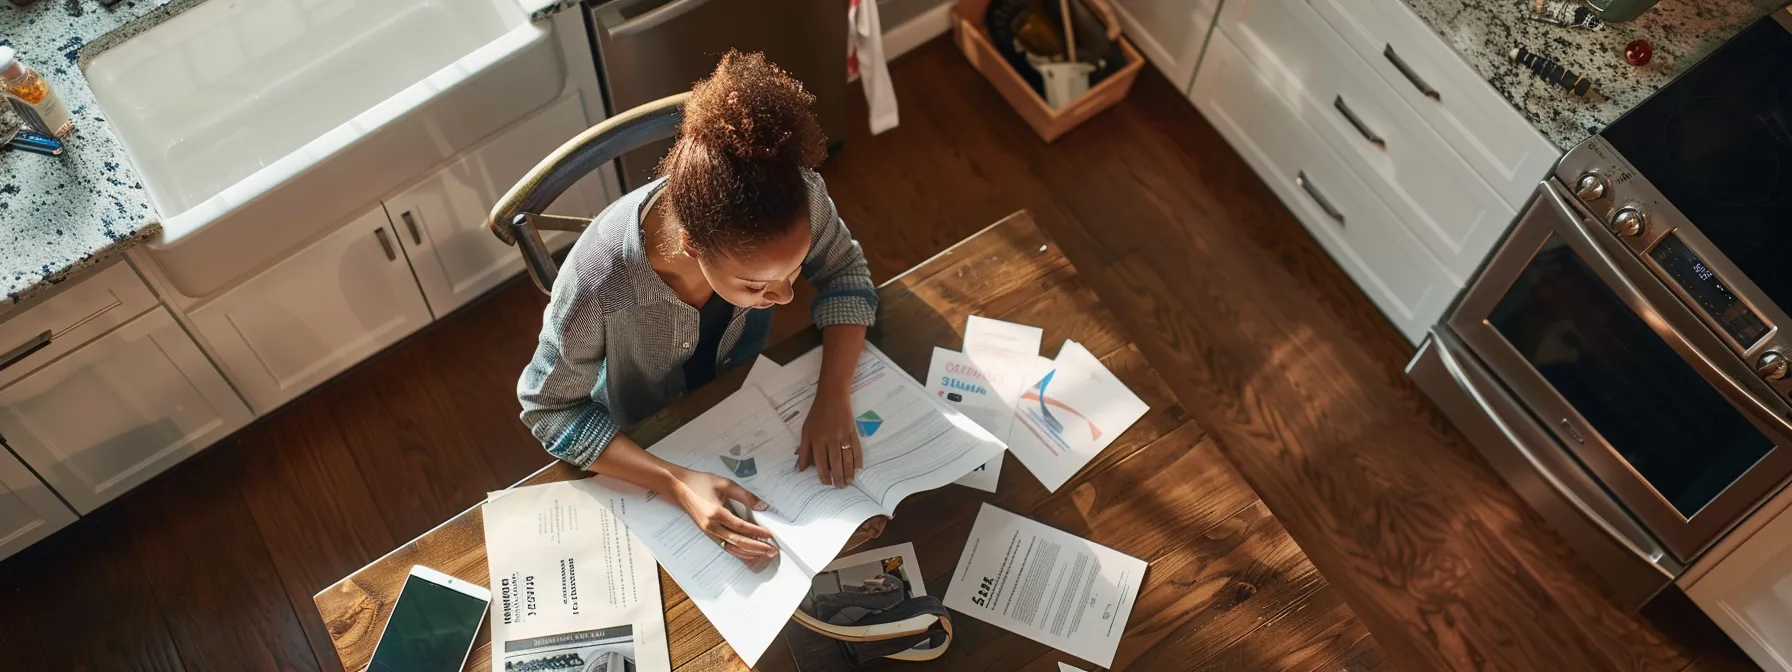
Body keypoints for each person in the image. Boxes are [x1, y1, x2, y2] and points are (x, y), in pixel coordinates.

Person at [518, 51, 876, 568]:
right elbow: (548, 408)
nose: (786, 298)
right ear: (691, 245)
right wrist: (675, 481)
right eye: (757, 284)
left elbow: (845, 272)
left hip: (741, 401)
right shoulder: (600, 281)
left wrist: (834, 395)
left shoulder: (803, 198)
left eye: (794, 271)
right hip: (642, 435)